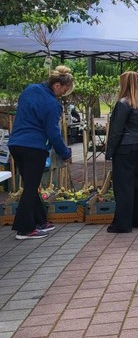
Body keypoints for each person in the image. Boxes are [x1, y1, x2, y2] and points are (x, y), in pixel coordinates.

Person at [9, 66, 74, 240]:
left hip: (15, 143)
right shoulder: (53, 104)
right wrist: (65, 153)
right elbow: (53, 132)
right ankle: (25, 229)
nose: (62, 95)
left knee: (31, 184)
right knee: (31, 187)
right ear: (58, 85)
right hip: (34, 147)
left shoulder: (30, 89)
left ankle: (39, 220)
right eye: (64, 91)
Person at [105, 71, 138, 233]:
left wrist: (109, 151)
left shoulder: (123, 104)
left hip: (125, 148)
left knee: (123, 185)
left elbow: (116, 131)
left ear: (124, 84)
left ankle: (123, 223)